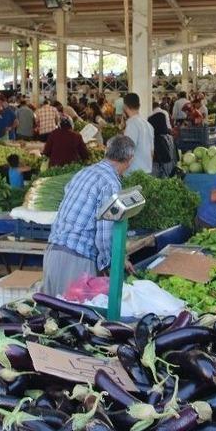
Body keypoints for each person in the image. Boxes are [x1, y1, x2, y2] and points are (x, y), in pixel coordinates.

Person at [42, 135, 135, 296]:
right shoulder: (110, 183)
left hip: (53, 253)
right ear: (129, 159)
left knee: (53, 315)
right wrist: (112, 263)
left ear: (107, 151)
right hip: (76, 260)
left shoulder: (84, 172)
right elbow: (105, 234)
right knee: (75, 317)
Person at [122, 93, 153, 174]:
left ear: (125, 106)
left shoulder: (132, 125)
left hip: (134, 173)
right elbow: (152, 151)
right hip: (147, 170)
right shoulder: (148, 124)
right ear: (139, 106)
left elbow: (128, 151)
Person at [148, 111, 175, 178]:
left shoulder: (158, 140)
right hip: (170, 171)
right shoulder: (168, 137)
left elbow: (162, 159)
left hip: (162, 174)